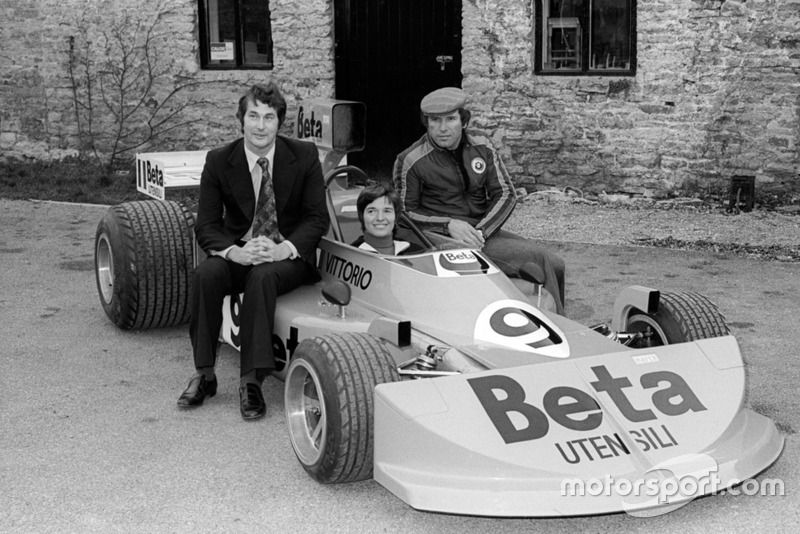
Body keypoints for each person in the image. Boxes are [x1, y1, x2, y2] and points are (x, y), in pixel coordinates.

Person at [177, 83, 329, 420]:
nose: (261, 126)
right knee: (206, 274)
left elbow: (317, 219)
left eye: (269, 117)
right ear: (241, 120)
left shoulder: (304, 155)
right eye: (253, 116)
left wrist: (282, 249)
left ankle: (251, 381)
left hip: (287, 256)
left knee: (261, 277)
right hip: (241, 250)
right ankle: (204, 374)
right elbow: (206, 225)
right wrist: (234, 253)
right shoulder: (219, 160)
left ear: (279, 122)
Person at [393, 87, 566, 313]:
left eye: (450, 119)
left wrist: (481, 232)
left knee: (557, 265)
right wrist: (448, 225)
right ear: (427, 122)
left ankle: (551, 319)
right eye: (435, 120)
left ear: (463, 120)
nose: (442, 128)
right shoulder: (410, 159)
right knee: (539, 259)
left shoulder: (482, 144)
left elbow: (505, 193)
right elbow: (404, 213)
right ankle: (559, 326)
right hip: (438, 238)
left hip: (480, 232)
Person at [351, 183, 413, 255]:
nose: (380, 218)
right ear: (362, 216)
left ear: (396, 216)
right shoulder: (348, 255)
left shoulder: (416, 252)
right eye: (371, 211)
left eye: (387, 211)